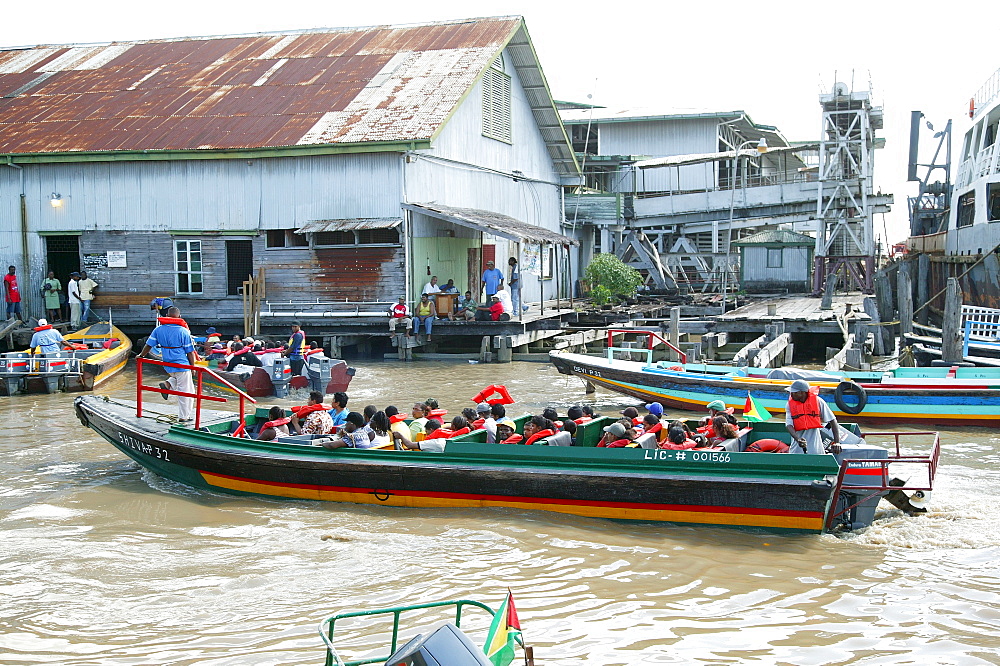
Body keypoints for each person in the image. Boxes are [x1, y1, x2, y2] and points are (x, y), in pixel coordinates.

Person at [136, 306, 197, 422]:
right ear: (179, 316)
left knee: (177, 378)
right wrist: (192, 367)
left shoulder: (158, 330)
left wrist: (141, 356)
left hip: (167, 364)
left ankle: (167, 384)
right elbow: (190, 352)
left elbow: (148, 345)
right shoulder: (183, 331)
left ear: (167, 316)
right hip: (181, 364)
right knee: (187, 392)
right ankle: (184, 417)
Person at [785, 379, 841, 455]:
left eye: (794, 392)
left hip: (816, 448)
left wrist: (837, 442)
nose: (791, 394)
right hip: (797, 448)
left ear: (802, 393)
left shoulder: (818, 401)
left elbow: (832, 420)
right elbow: (789, 425)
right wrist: (798, 439)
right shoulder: (789, 405)